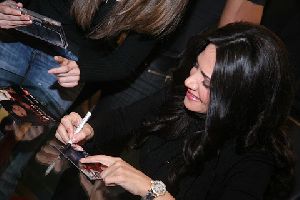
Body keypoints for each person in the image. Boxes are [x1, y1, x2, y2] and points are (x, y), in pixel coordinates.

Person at [55, 22, 295, 200]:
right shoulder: (183, 97)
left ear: (238, 99)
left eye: (208, 82)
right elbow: (122, 119)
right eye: (196, 66)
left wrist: (151, 189)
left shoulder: (254, 160)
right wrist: (86, 128)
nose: (190, 82)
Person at [0, 0, 188, 114]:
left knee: (17, 150)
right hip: (18, 32)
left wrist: (82, 71)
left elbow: (124, 63)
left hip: (67, 64)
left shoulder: (162, 4)